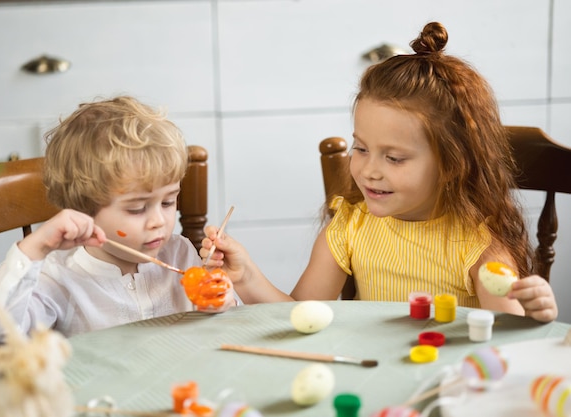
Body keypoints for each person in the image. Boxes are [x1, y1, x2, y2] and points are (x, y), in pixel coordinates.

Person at [200, 22, 558, 323]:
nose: (368, 171)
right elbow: (299, 316)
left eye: (395, 158)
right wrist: (246, 276)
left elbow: (510, 342)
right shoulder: (350, 227)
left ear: (452, 164)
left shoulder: (478, 248)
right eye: (361, 148)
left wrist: (532, 314)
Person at [0, 96, 234, 342]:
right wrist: (34, 248)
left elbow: (217, 332)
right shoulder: (58, 277)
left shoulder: (181, 253)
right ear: (83, 209)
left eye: (167, 202)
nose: (159, 221)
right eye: (137, 209)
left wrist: (219, 301)